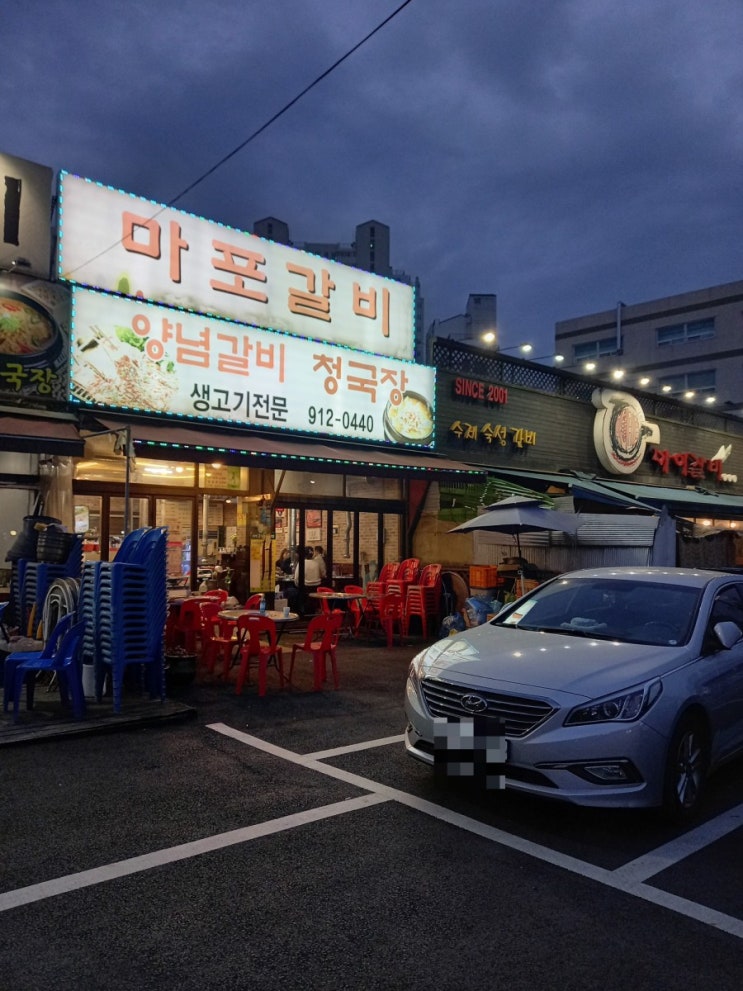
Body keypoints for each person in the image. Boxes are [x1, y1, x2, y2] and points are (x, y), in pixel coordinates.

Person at [296, 546, 323, 614]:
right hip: (316, 588)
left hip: (305, 588)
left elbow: (296, 579)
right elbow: (320, 575)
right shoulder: (316, 563)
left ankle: (299, 611)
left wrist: (298, 585)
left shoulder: (301, 563)